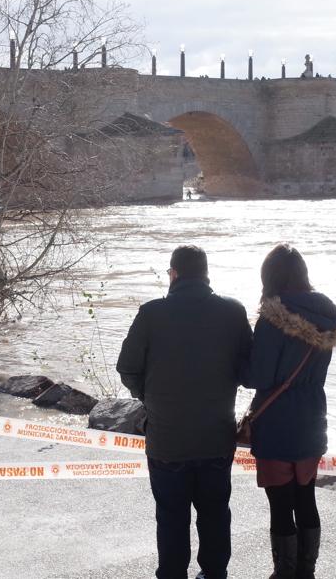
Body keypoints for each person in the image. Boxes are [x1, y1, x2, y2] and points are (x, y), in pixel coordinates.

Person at [117, 245, 253, 579]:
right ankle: (214, 574)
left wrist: (149, 397)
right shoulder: (233, 312)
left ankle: (172, 574)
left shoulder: (151, 313)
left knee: (171, 516)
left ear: (174, 274)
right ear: (206, 274)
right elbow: (250, 374)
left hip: (167, 440)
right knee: (215, 513)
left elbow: (127, 368)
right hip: (216, 439)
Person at [243, 244, 336, 579]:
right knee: (306, 498)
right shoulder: (327, 317)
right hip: (314, 419)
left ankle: (284, 574)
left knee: (281, 504)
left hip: (278, 424)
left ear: (269, 277)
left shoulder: (272, 320)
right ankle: (306, 572)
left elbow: (258, 377)